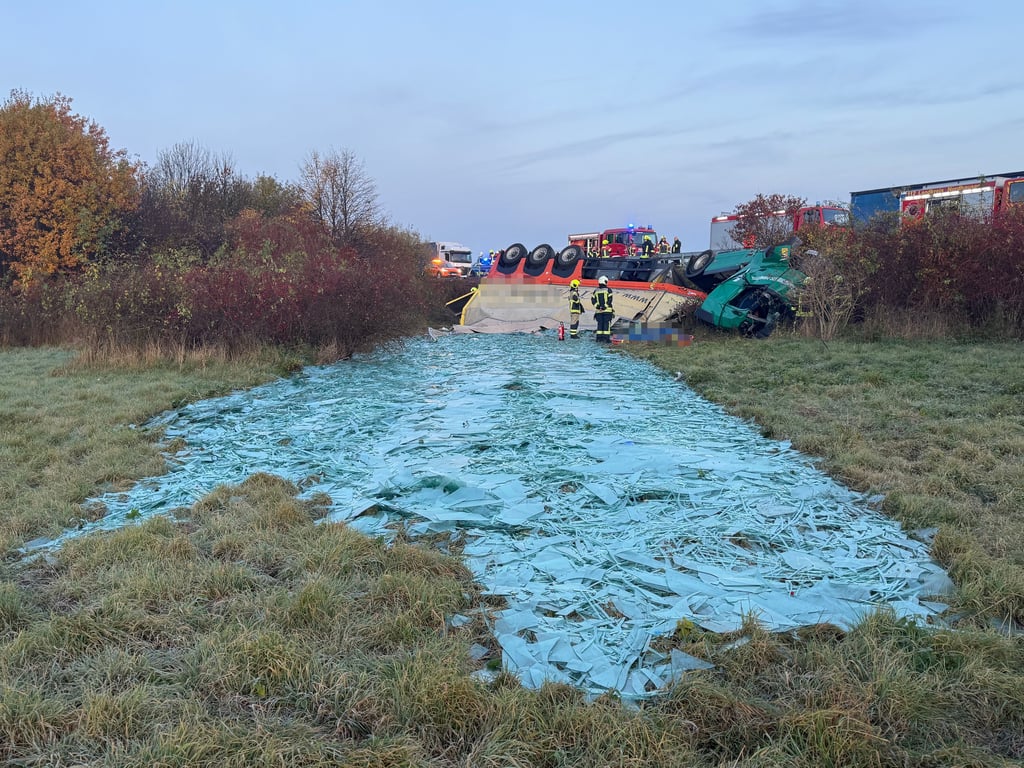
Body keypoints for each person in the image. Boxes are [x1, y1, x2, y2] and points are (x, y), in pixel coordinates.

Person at [591, 275, 614, 342]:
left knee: (600, 324)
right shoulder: (608, 290)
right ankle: (606, 338)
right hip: (607, 311)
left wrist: (598, 307)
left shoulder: (596, 291)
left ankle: (599, 338)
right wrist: (604, 307)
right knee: (606, 324)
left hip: (598, 311)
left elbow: (593, 300)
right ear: (605, 282)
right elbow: (610, 300)